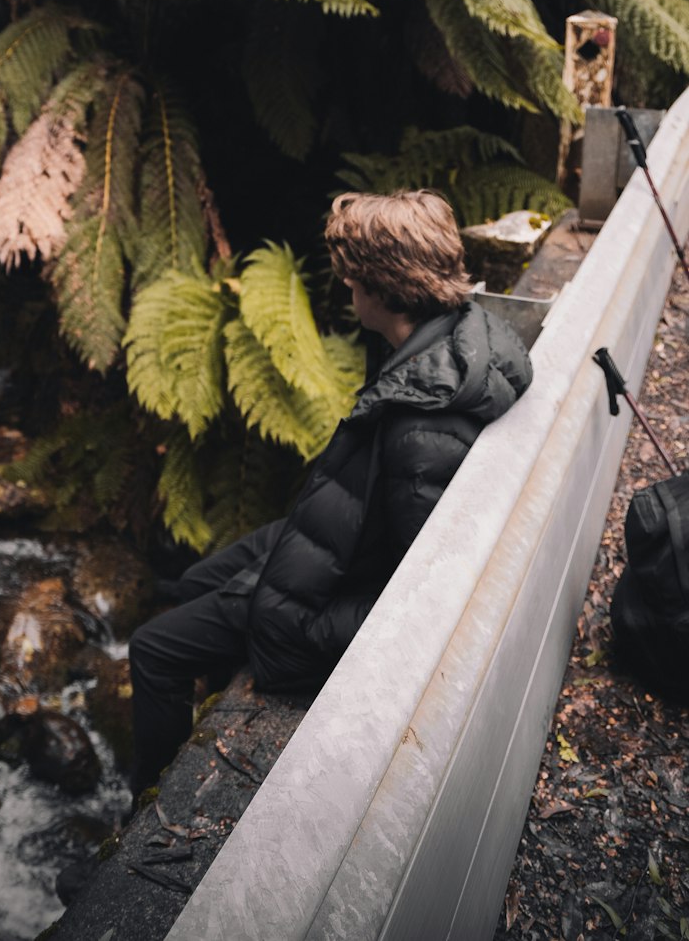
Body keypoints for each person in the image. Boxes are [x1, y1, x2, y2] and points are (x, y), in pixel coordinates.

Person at [127, 188, 533, 797]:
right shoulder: (453, 336)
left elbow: (423, 592)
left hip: (320, 594)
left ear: (382, 287)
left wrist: (304, 628)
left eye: (352, 281)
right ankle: (205, 704)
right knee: (187, 585)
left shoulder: (420, 427)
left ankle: (146, 808)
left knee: (152, 650)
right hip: (330, 537)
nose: (347, 291)